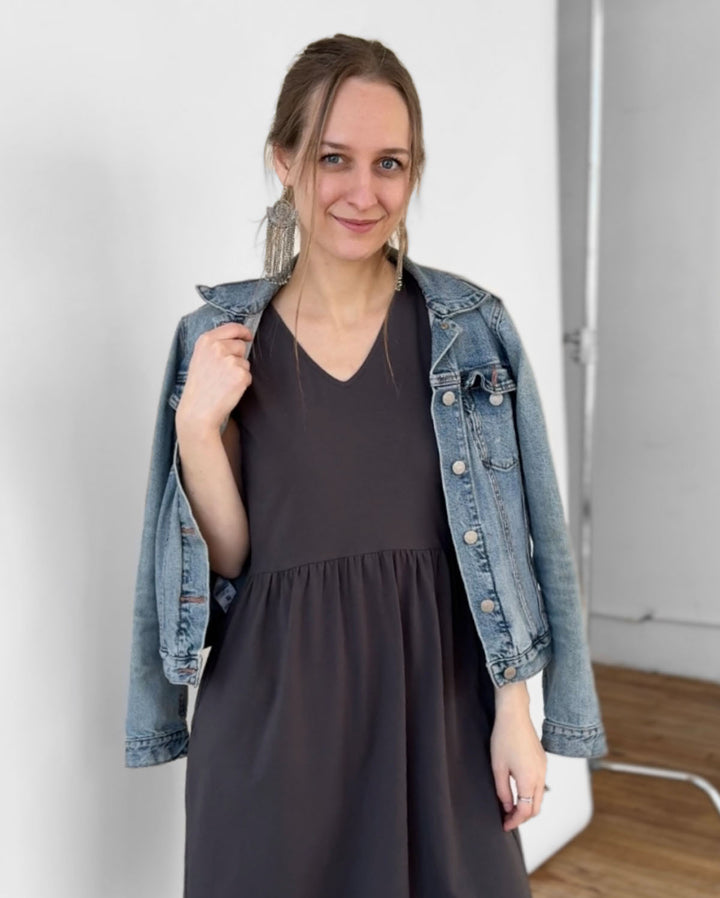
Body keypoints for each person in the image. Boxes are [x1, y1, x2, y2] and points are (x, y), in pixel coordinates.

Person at [124, 32, 608, 898]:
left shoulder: (471, 331)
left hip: (441, 709)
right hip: (275, 719)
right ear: (284, 161)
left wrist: (517, 709)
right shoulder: (219, 342)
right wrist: (197, 427)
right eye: (332, 158)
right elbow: (230, 558)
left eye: (390, 163)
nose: (363, 191)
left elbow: (529, 536)